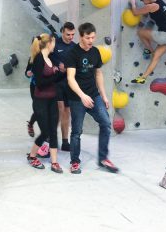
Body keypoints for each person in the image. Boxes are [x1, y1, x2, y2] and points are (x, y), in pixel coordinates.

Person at [65, 22, 118, 174]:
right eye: (88, 37)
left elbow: (98, 73)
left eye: (93, 37)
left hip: (94, 95)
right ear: (81, 37)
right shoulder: (73, 53)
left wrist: (104, 95)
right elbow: (70, 78)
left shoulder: (95, 52)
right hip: (77, 98)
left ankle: (103, 158)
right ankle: (75, 162)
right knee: (76, 132)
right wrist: (82, 96)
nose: (91, 41)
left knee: (106, 123)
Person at [26, 34, 64, 173]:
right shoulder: (38, 60)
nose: (55, 45)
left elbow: (55, 78)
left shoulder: (50, 58)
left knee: (53, 131)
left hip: (52, 99)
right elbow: (41, 83)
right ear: (49, 44)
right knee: (45, 131)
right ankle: (32, 156)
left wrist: (62, 72)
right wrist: (56, 75)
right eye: (54, 42)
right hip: (40, 101)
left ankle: (54, 162)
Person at [50, 22, 76, 151]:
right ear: (62, 32)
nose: (70, 37)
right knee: (58, 111)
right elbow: (46, 58)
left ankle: (65, 142)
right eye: (68, 34)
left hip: (68, 84)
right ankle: (50, 137)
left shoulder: (74, 47)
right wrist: (56, 64)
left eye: (72, 34)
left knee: (67, 112)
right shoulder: (55, 44)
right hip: (55, 83)